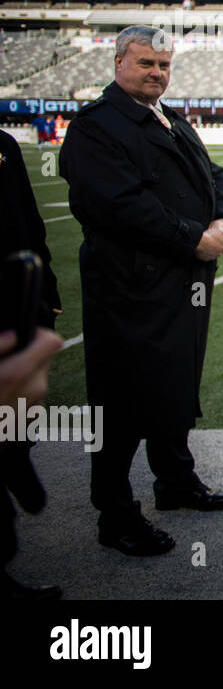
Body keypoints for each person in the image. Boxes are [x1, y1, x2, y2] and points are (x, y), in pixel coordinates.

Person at [59, 25, 223, 559]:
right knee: (122, 402)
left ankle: (175, 481)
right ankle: (115, 514)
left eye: (163, 65)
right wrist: (194, 239)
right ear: (119, 63)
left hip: (180, 285)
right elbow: (118, 204)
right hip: (130, 288)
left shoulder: (170, 117)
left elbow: (214, 176)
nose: (157, 73)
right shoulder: (97, 126)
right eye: (145, 64)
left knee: (173, 385)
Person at [1, 128, 64, 598]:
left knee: (15, 419)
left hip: (14, 305)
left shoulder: (4, 146)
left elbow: (29, 222)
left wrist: (46, 287)